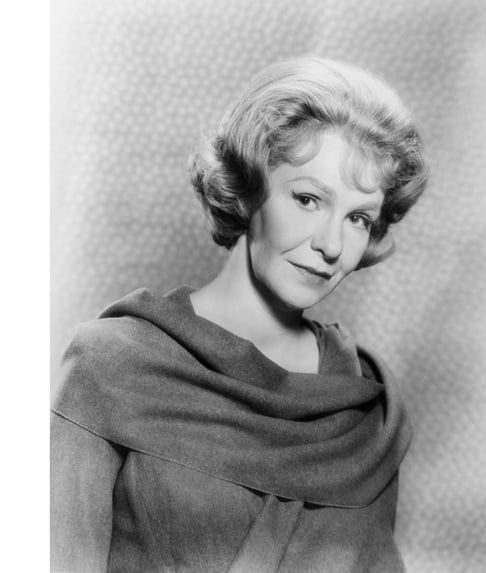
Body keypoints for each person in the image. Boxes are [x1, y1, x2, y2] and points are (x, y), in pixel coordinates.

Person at [51, 56, 428, 572]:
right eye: (308, 199)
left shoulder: (365, 409)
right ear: (249, 189)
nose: (332, 245)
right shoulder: (111, 365)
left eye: (359, 218)